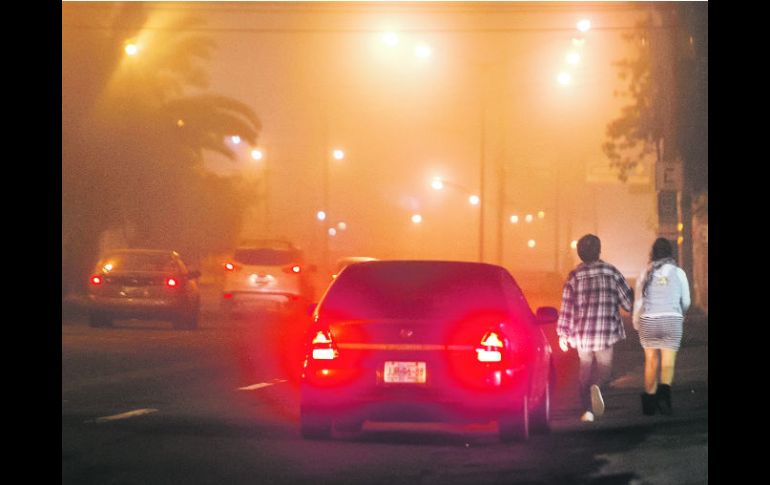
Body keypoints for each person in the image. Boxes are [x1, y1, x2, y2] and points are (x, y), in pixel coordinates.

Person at [557, 234, 634, 423]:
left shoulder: (574, 276)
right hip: (606, 332)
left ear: (580, 253)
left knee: (584, 367)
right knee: (604, 369)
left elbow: (566, 307)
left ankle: (586, 409)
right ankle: (596, 390)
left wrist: (563, 334)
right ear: (599, 251)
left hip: (582, 334)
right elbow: (628, 303)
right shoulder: (612, 272)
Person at [632, 238, 690, 416]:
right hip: (671, 319)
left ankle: (649, 403)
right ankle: (664, 398)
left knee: (650, 361)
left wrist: (636, 320)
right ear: (670, 252)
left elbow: (639, 301)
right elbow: (686, 300)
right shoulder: (679, 273)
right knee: (667, 363)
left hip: (649, 320)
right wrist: (681, 313)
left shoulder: (645, 273)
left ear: (653, 253)